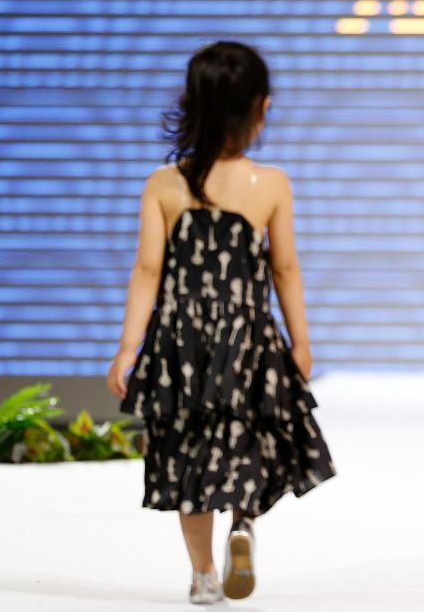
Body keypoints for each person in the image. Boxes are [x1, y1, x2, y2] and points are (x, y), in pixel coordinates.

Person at [106, 41, 336, 603]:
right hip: (246, 337)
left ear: (192, 105)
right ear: (261, 108)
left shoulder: (164, 185)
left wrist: (128, 348)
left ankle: (203, 575)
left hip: (179, 341)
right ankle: (243, 523)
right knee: (247, 438)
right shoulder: (270, 184)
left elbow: (147, 271)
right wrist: (301, 343)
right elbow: (284, 268)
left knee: (185, 451)